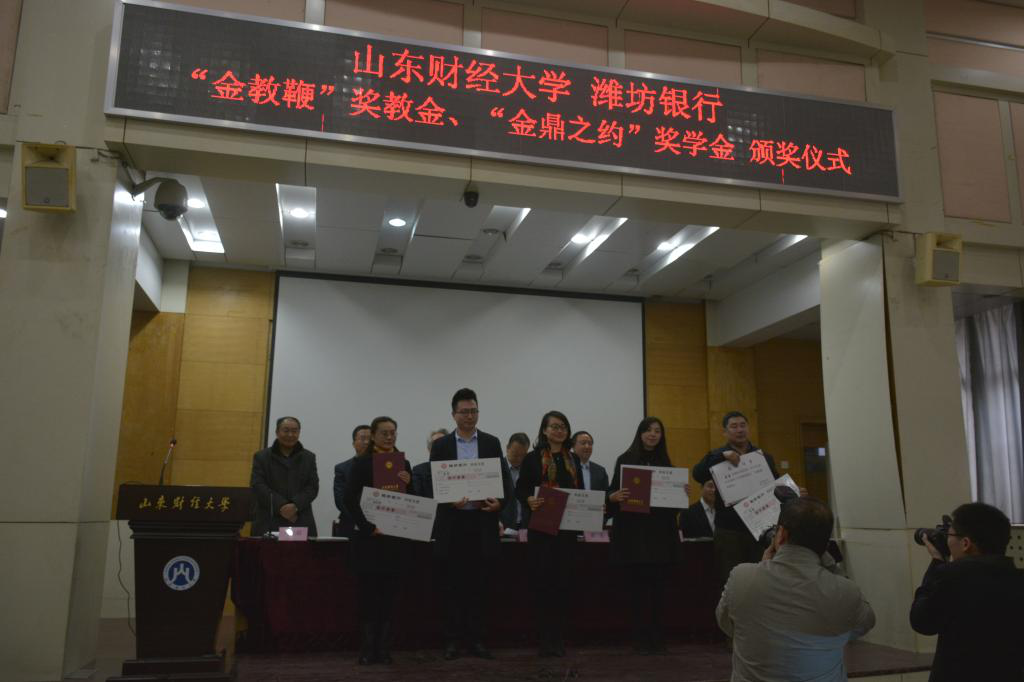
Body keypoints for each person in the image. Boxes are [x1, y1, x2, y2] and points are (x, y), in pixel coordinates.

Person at [716, 497, 875, 682]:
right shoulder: (846, 592)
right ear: (825, 544)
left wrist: (763, 567)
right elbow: (864, 624)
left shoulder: (741, 577)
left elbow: (727, 624)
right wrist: (830, 565)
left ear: (781, 535)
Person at [429, 388, 513, 660]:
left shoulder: (491, 442)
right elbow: (433, 484)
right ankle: (452, 641)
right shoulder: (441, 446)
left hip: (482, 522)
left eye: (473, 411)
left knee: (479, 585)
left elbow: (504, 480)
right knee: (452, 585)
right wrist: (447, 501)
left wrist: (500, 504)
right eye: (464, 412)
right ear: (453, 414)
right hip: (453, 524)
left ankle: (477, 639)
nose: (469, 416)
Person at [909, 502, 1024, 682]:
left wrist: (937, 562)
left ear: (965, 543)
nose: (947, 541)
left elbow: (921, 621)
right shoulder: (1017, 578)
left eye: (949, 535)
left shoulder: (952, 577)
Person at [606, 417, 683, 654]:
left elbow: (672, 508)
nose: (653, 434)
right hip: (634, 538)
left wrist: (680, 494)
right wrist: (613, 497)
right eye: (648, 430)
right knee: (638, 591)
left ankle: (657, 639)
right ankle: (640, 639)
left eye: (657, 431)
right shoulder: (625, 459)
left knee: (659, 591)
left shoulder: (666, 464)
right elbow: (612, 494)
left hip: (659, 538)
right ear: (640, 434)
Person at [343, 416, 414, 665]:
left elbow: (412, 501)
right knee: (368, 596)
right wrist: (368, 527)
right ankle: (367, 649)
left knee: (389, 597)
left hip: (394, 542)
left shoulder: (404, 463)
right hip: (369, 541)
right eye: (384, 433)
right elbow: (349, 499)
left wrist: (409, 484)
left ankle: (383, 649)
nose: (389, 436)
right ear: (373, 435)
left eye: (393, 432)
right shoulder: (362, 463)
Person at [515, 412, 583, 657]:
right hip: (542, 531)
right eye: (554, 426)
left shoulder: (573, 459)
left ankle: (558, 638)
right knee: (543, 584)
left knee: (563, 584)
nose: (559, 430)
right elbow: (520, 488)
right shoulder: (532, 458)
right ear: (544, 430)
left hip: (567, 531)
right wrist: (528, 499)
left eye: (563, 426)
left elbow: (580, 491)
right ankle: (545, 639)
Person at [693, 411, 781, 585]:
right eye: (734, 426)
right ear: (725, 432)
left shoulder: (762, 457)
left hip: (760, 529)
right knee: (730, 580)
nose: (739, 430)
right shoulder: (717, 456)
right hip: (729, 530)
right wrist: (722, 456)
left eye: (743, 425)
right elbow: (697, 474)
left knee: (761, 580)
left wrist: (793, 491)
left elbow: (776, 485)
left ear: (748, 428)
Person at [250, 416, 319, 537]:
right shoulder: (262, 457)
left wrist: (295, 505)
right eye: (286, 430)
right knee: (267, 550)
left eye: (294, 431)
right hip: (268, 520)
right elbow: (258, 485)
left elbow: (312, 487)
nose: (290, 435)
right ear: (277, 432)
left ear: (299, 433)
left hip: (299, 518)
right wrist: (281, 506)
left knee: (302, 550)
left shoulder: (309, 457)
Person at [333, 424, 370, 537]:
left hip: (380, 523)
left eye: (370, 439)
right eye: (363, 439)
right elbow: (340, 500)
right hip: (351, 523)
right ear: (354, 443)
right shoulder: (342, 468)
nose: (367, 442)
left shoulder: (384, 467)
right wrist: (361, 520)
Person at [500, 432, 530, 531]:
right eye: (515, 455)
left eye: (523, 455)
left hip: (525, 525)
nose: (519, 459)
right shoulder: (497, 468)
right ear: (507, 448)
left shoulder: (529, 470)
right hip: (503, 525)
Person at [411, 428, 447, 498]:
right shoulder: (418, 471)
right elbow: (416, 497)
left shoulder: (458, 469)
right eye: (435, 443)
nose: (439, 447)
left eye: (443, 443)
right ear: (429, 448)